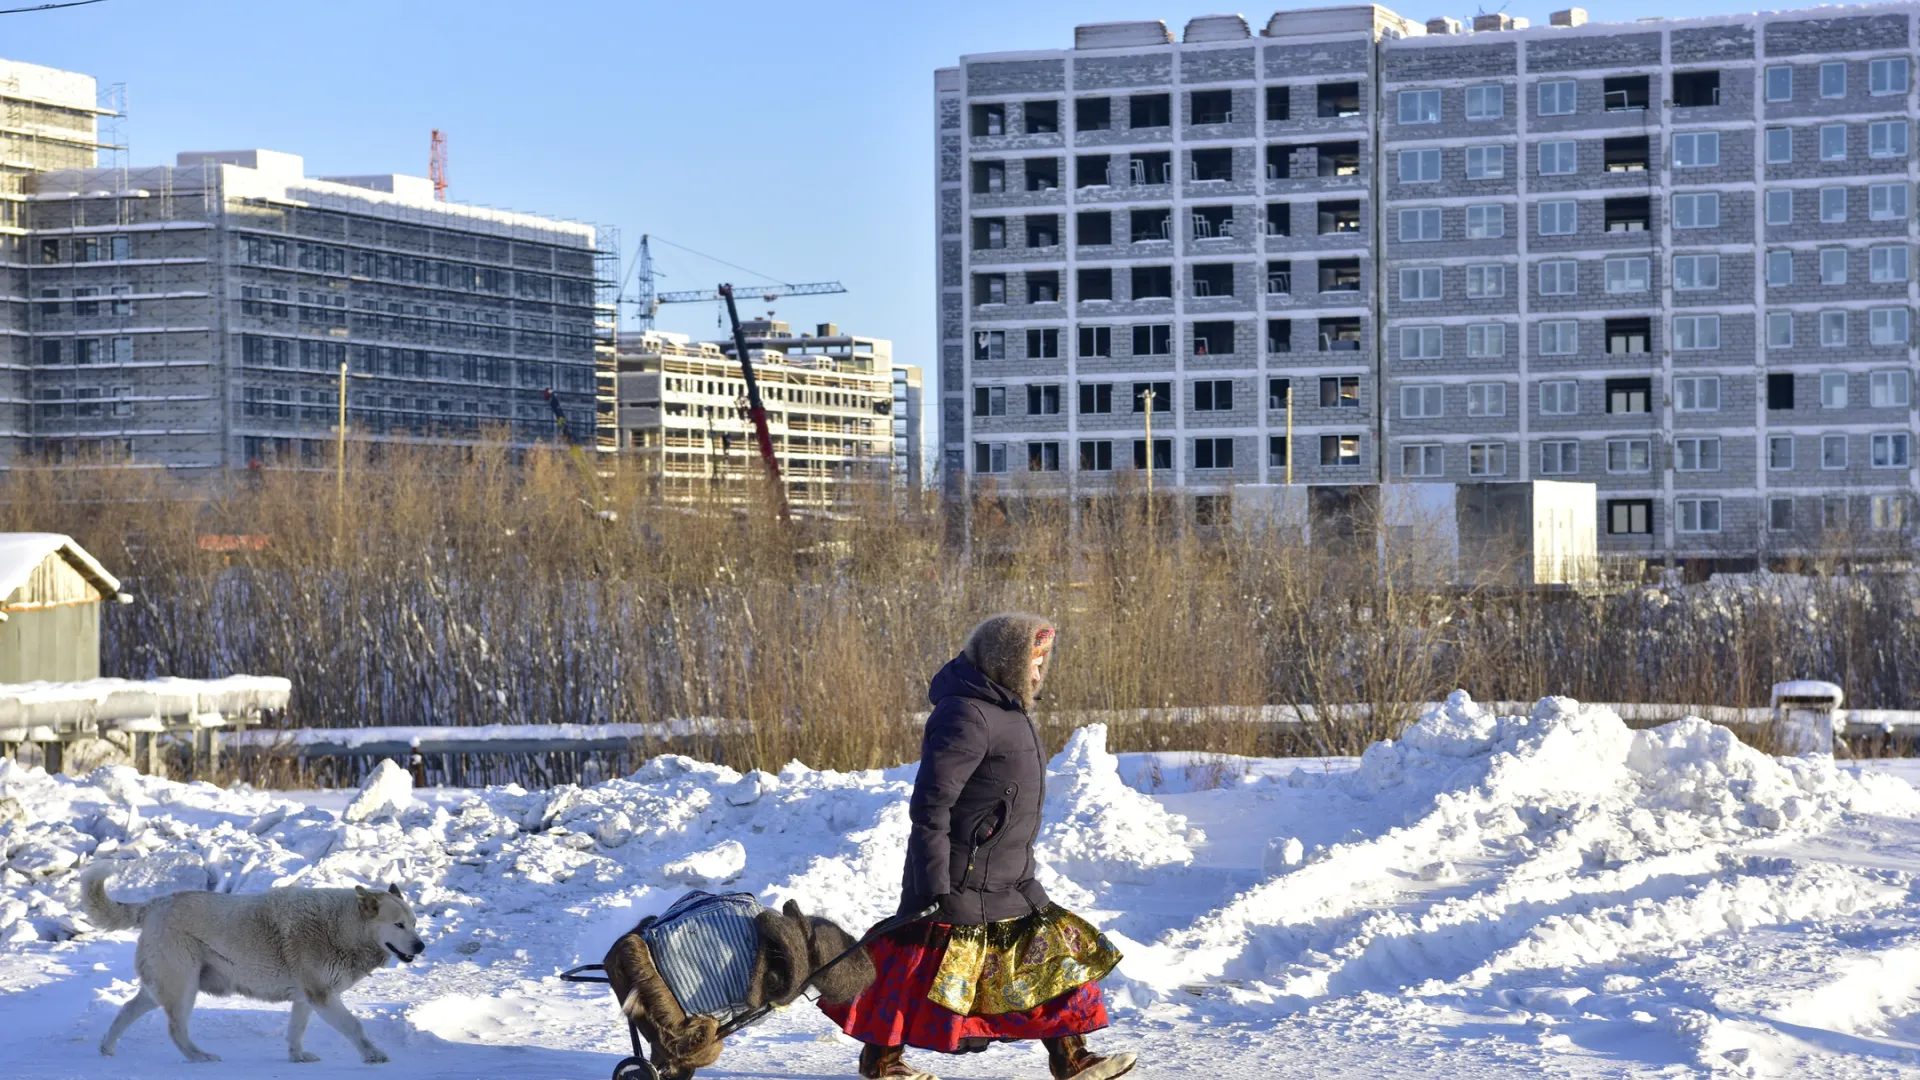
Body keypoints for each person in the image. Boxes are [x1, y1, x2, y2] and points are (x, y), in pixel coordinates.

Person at [820, 614, 1135, 1080]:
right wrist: (932, 883)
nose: (1038, 672)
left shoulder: (1006, 709)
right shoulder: (965, 713)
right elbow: (931, 804)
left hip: (1008, 874)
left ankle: (1071, 1058)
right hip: (961, 877)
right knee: (916, 972)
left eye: (1043, 661)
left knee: (1047, 959)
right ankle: (882, 1062)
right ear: (1005, 660)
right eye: (1033, 660)